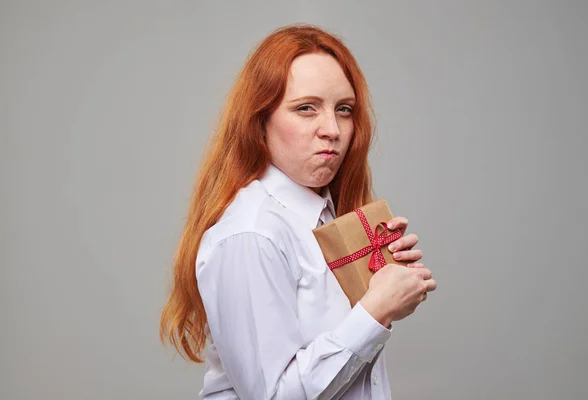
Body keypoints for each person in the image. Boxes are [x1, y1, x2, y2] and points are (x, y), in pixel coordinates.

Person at [160, 24, 437, 399]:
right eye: (306, 108)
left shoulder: (325, 216)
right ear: (260, 122)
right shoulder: (251, 235)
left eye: (344, 110)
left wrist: (387, 293)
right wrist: (374, 312)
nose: (332, 129)